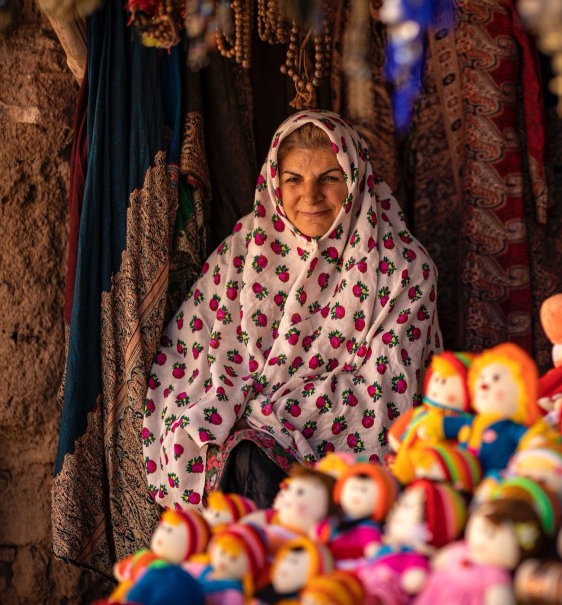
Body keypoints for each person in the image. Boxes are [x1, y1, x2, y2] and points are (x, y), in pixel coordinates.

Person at [143, 110, 441, 509]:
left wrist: (272, 423)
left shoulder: (403, 268)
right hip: (237, 439)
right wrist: (223, 413)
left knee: (256, 462)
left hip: (329, 444)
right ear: (274, 182)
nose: (310, 196)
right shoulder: (244, 249)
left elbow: (386, 389)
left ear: (356, 180)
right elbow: (188, 347)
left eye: (330, 179)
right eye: (294, 180)